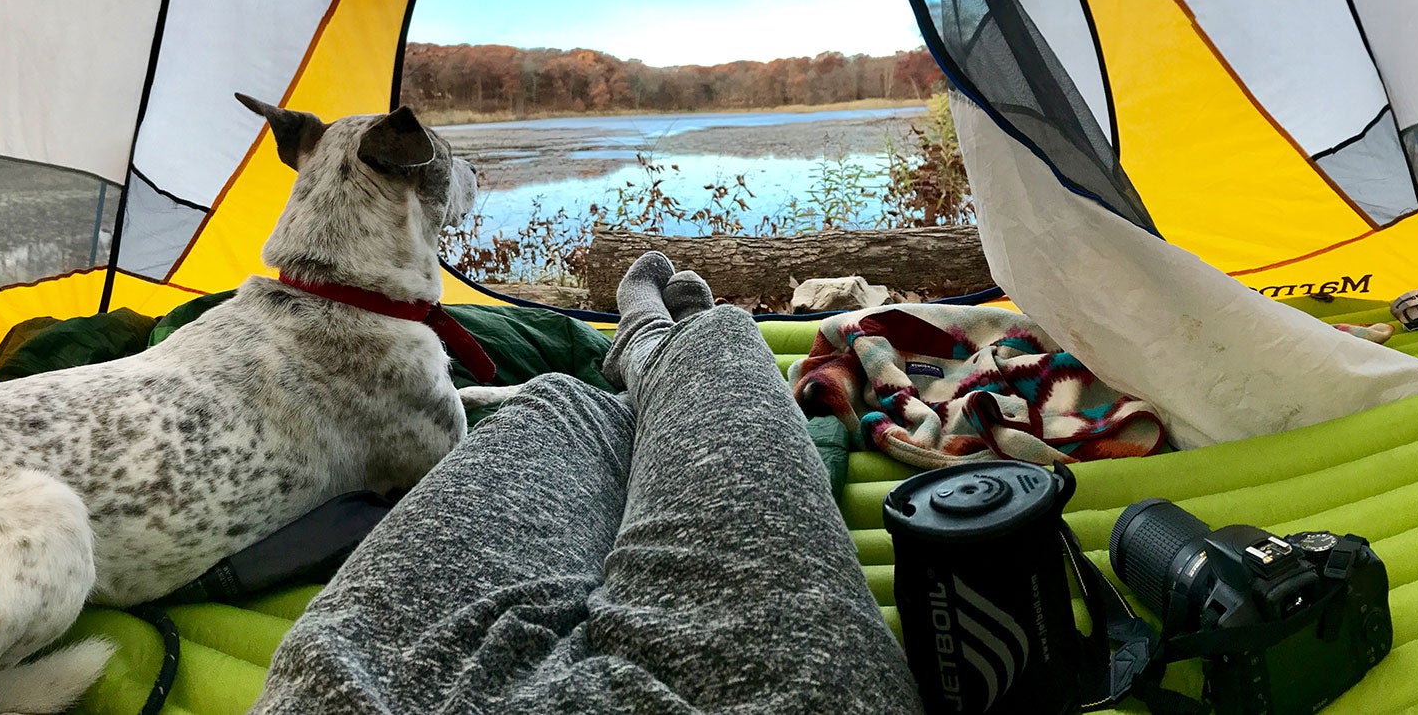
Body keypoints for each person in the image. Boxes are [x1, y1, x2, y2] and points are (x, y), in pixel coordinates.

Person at [251, 252, 923, 714]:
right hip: (768, 693)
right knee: (725, 336)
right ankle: (661, 355)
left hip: (376, 692)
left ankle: (651, 365)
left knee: (559, 402)